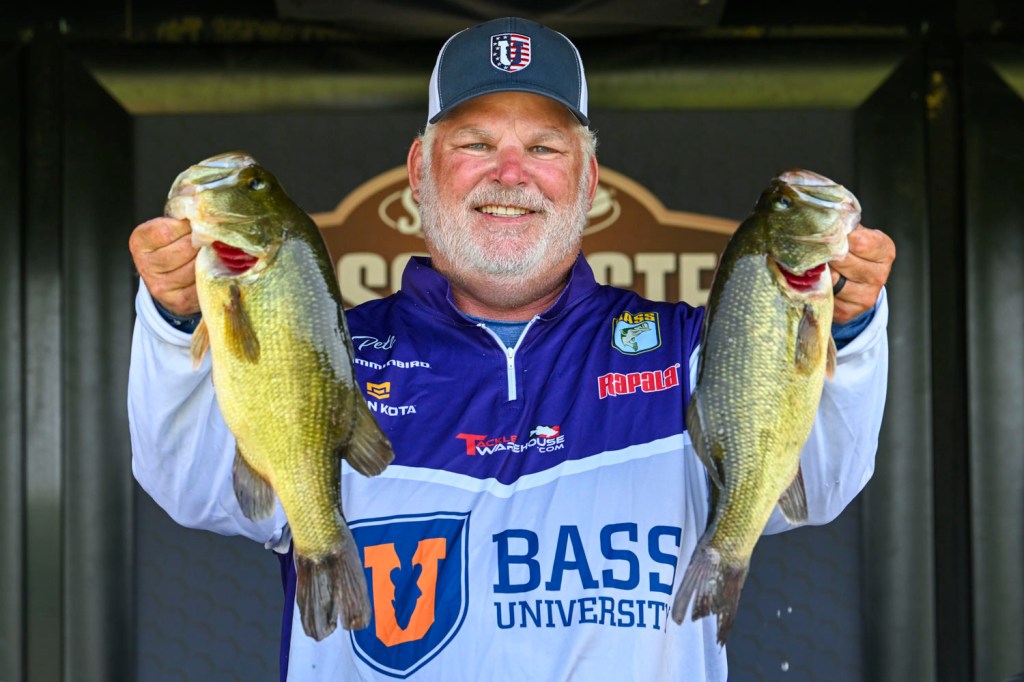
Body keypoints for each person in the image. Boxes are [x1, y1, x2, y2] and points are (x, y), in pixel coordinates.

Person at [127, 16, 895, 682]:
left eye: (544, 147)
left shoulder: (688, 355)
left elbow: (819, 481)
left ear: (589, 180)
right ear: (420, 171)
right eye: (476, 142)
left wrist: (848, 328)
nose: (510, 174)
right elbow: (192, 486)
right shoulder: (329, 354)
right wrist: (174, 319)